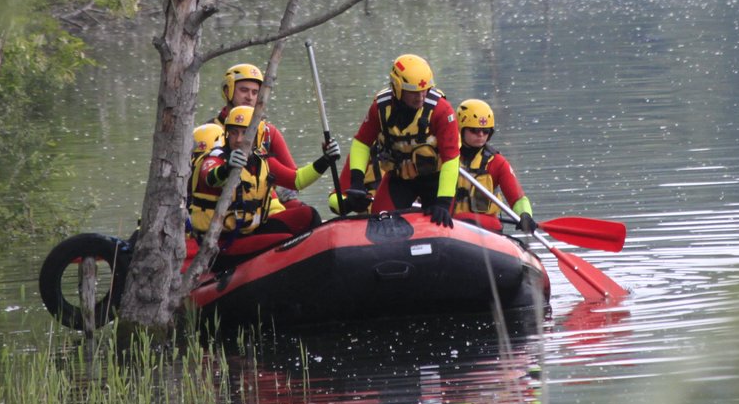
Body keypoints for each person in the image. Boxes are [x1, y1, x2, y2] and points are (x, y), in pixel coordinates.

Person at [187, 105, 337, 263]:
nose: (238, 139)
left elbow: (297, 180)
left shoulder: (261, 160)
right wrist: (227, 168)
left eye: (245, 133)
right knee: (285, 241)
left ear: (257, 135)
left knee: (308, 215)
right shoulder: (215, 159)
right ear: (226, 134)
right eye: (233, 133)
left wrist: (326, 160)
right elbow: (211, 177)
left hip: (251, 230)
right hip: (222, 243)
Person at [339, 53, 460, 226]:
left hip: (435, 179)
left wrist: (443, 203)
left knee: (440, 223)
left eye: (424, 90)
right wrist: (357, 182)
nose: (421, 97)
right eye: (413, 92)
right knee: (380, 222)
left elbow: (451, 159)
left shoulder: (442, 111)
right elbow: (362, 143)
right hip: (399, 179)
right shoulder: (380, 109)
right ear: (397, 88)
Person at [450, 99, 536, 234]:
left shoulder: (496, 163)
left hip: (486, 227)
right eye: (474, 130)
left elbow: (518, 198)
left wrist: (525, 215)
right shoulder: (447, 158)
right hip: (449, 224)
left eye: (486, 131)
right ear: (461, 129)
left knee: (464, 219)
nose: (481, 135)